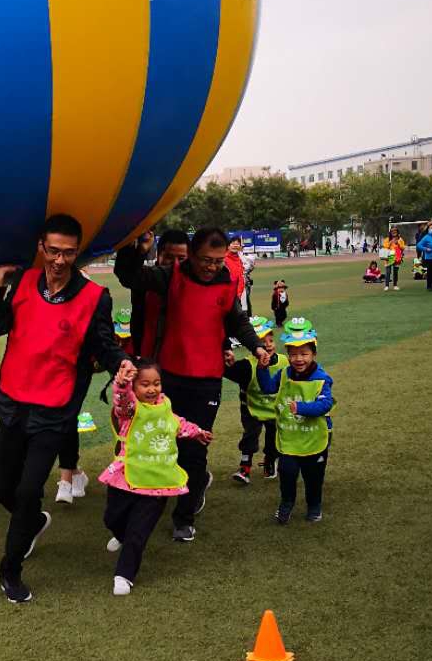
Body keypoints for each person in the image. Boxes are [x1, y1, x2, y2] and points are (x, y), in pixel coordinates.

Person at [0, 213, 134, 604]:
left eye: (68, 253)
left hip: (53, 409)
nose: (60, 260)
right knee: (4, 489)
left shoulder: (93, 296)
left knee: (31, 488)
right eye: (53, 251)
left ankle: (10, 568)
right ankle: (31, 523)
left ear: (76, 253)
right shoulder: (22, 282)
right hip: (14, 403)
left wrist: (121, 361)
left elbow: (103, 342)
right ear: (41, 248)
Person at [114, 226, 271, 541]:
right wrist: (137, 248)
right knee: (160, 443)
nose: (212, 266)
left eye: (217, 260)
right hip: (169, 378)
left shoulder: (226, 282)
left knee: (194, 450)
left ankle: (184, 515)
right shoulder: (171, 275)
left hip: (207, 382)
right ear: (192, 255)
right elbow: (129, 276)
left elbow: (237, 320)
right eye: (205, 260)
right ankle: (144, 502)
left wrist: (254, 345)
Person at [100, 360, 212, 594]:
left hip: (158, 482)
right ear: (134, 386)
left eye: (156, 383)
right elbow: (121, 404)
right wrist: (121, 386)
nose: (152, 389)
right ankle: (120, 535)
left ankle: (124, 575)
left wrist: (197, 432)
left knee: (138, 531)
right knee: (112, 518)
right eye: (144, 384)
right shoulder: (131, 410)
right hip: (127, 475)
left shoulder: (164, 405)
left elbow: (176, 423)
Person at [255, 317, 335, 523]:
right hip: (290, 438)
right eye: (293, 354)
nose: (298, 359)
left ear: (314, 353)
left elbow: (326, 404)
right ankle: (286, 503)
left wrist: (302, 408)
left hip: (314, 440)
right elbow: (268, 388)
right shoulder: (283, 374)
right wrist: (262, 369)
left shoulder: (321, 378)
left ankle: (314, 504)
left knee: (313, 477)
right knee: (287, 473)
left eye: (304, 354)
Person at [224, 315, 287, 482]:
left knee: (273, 437)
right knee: (250, 436)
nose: (267, 344)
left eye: (271, 340)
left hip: (275, 410)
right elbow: (228, 371)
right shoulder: (246, 365)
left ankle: (270, 461)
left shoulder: (284, 362)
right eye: (261, 340)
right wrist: (227, 361)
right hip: (251, 409)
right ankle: (245, 466)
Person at [116, 227, 190, 359]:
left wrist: (225, 345)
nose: (175, 264)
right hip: (147, 356)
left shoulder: (194, 281)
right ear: (158, 254)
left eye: (181, 258)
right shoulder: (146, 278)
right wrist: (140, 250)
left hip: (181, 358)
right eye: (169, 257)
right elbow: (126, 275)